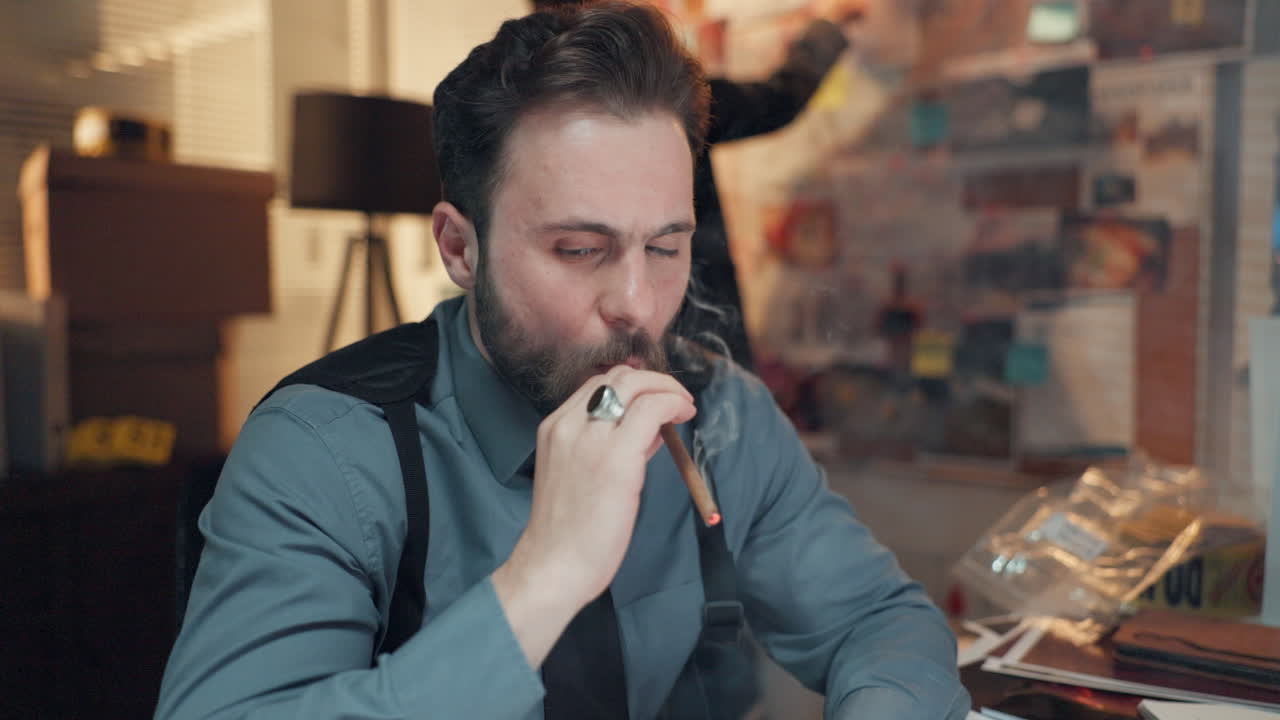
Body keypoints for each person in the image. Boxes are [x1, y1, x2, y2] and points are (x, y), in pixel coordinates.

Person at [155, 3, 971, 719]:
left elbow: (880, 622)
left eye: (666, 247)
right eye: (580, 249)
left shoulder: (721, 413)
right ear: (459, 247)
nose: (638, 304)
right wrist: (547, 573)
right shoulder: (327, 447)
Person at [535, 0, 864, 371]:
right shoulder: (667, 97)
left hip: (615, 337)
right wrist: (827, 29)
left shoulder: (527, 112)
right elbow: (780, 99)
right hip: (695, 323)